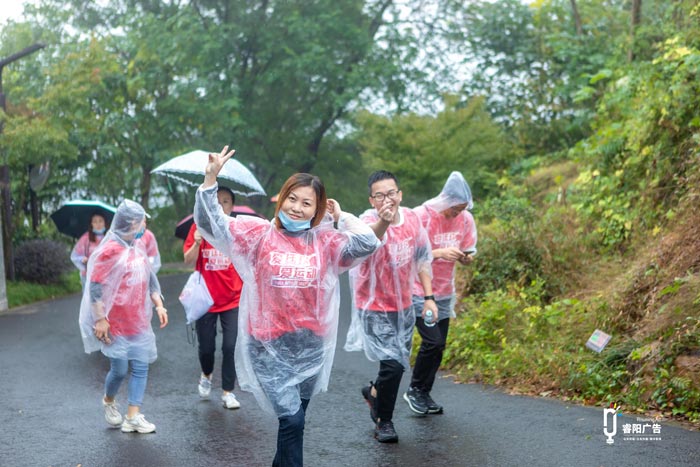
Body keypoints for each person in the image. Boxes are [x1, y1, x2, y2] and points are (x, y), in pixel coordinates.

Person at [194, 146, 385, 467]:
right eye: (292, 199)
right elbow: (211, 224)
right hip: (266, 343)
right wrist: (210, 179)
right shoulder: (257, 235)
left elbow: (367, 243)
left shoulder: (326, 242)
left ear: (317, 210)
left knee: (294, 422)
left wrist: (340, 217)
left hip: (310, 342)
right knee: (292, 420)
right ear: (281, 200)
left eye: (307, 203)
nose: (297, 208)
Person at [344, 170, 436, 443]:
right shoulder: (364, 222)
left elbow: (423, 259)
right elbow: (364, 246)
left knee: (395, 365)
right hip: (372, 305)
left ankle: (374, 393)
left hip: (403, 305)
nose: (388, 199)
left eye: (391, 193)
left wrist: (429, 298)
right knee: (394, 366)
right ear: (372, 200)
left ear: (400, 194)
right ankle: (384, 422)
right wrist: (383, 223)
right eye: (380, 195)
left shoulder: (412, 220)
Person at [78, 199, 168, 434]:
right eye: (142, 222)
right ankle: (108, 400)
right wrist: (100, 318)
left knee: (140, 367)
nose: (145, 226)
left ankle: (132, 417)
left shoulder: (138, 248)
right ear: (130, 223)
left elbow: (150, 279)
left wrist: (159, 305)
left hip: (138, 322)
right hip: (115, 325)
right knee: (118, 370)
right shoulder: (108, 251)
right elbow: (96, 287)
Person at [404, 171, 477, 415]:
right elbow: (409, 253)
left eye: (461, 209)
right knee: (432, 341)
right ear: (445, 200)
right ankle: (414, 390)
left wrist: (465, 258)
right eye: (454, 209)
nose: (457, 214)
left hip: (445, 290)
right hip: (418, 291)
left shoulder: (466, 220)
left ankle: (424, 392)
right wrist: (440, 253)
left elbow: (469, 251)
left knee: (440, 345)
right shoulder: (421, 216)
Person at [183, 185, 244, 409]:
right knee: (207, 348)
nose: (220, 205)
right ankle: (206, 374)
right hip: (205, 300)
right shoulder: (198, 228)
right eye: (216, 201)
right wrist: (198, 242)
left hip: (233, 298)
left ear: (232, 206)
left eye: (226, 201)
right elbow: (188, 262)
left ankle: (228, 392)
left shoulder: (236, 230)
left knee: (230, 346)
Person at [70, 213, 109, 287]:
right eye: (95, 221)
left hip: (106, 275)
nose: (98, 224)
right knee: (89, 297)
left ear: (105, 222)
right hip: (88, 275)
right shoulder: (86, 238)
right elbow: (75, 255)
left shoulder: (109, 237)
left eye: (100, 221)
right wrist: (82, 259)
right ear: (91, 224)